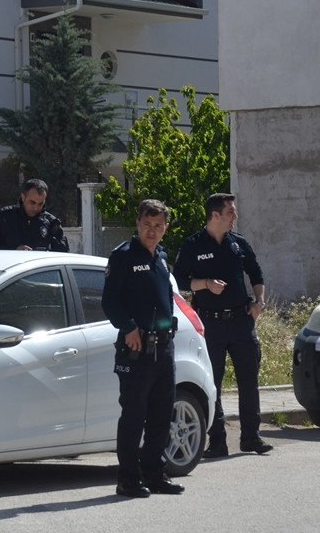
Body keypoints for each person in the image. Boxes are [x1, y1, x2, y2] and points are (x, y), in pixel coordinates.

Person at [174, 193, 272, 457]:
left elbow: (256, 272)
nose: (235, 217)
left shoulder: (238, 243)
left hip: (241, 321)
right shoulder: (193, 244)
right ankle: (217, 442)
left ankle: (251, 437)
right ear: (215, 215)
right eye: (230, 212)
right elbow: (179, 280)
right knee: (212, 384)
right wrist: (205, 284)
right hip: (209, 324)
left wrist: (259, 301)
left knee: (249, 382)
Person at [101, 199, 185, 498]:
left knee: (162, 414)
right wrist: (128, 328)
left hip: (163, 348)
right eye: (147, 225)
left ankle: (155, 474)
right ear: (138, 224)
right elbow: (110, 301)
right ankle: (128, 479)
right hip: (136, 350)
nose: (153, 231)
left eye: (158, 226)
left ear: (166, 227)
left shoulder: (161, 257)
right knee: (134, 415)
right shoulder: (123, 256)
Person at [0, 178, 70, 252]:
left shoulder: (51, 223)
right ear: (23, 197)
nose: (35, 208)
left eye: (40, 204)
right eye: (32, 202)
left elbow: (63, 253)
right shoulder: (4, 217)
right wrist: (13, 251)